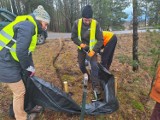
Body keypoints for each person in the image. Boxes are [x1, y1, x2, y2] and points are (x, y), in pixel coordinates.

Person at [0, 5, 50, 120]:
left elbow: (27, 52)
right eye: (45, 24)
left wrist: (30, 67)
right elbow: (21, 52)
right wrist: (28, 67)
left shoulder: (30, 24)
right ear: (40, 20)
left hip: (9, 59)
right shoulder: (28, 26)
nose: (46, 27)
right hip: (4, 61)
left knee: (26, 81)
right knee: (19, 91)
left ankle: (27, 107)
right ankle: (21, 117)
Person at [71, 5, 103, 94]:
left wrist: (93, 51)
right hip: (82, 49)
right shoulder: (77, 23)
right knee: (81, 65)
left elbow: (100, 40)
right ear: (82, 17)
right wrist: (81, 45)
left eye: (89, 20)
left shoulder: (96, 24)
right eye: (85, 20)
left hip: (92, 49)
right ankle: (87, 77)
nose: (87, 22)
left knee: (94, 66)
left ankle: (96, 86)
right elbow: (73, 37)